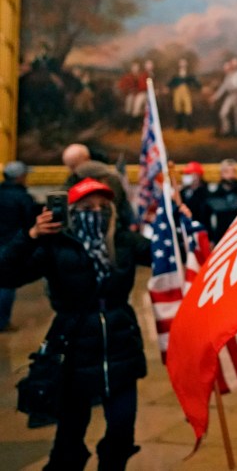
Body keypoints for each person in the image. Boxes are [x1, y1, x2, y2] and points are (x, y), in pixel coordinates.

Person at [0, 178, 152, 470]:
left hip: (121, 345)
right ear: (71, 210)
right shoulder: (55, 245)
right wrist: (30, 235)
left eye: (102, 206)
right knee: (70, 434)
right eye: (86, 207)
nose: (96, 212)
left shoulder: (122, 240)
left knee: (121, 430)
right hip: (73, 348)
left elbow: (168, 256)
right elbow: (6, 274)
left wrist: (183, 224)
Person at [0, 161, 39, 332]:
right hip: (11, 242)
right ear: (19, 177)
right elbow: (30, 222)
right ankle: (2, 322)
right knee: (6, 283)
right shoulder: (22, 197)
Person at [207, 159, 237, 245]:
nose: (231, 175)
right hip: (221, 240)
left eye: (234, 171)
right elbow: (206, 221)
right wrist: (211, 240)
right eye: (227, 172)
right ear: (221, 174)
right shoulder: (213, 197)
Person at [178, 161, 212, 231]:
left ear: (198, 176)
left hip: (200, 230)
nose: (186, 176)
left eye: (188, 174)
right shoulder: (182, 192)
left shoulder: (206, 193)